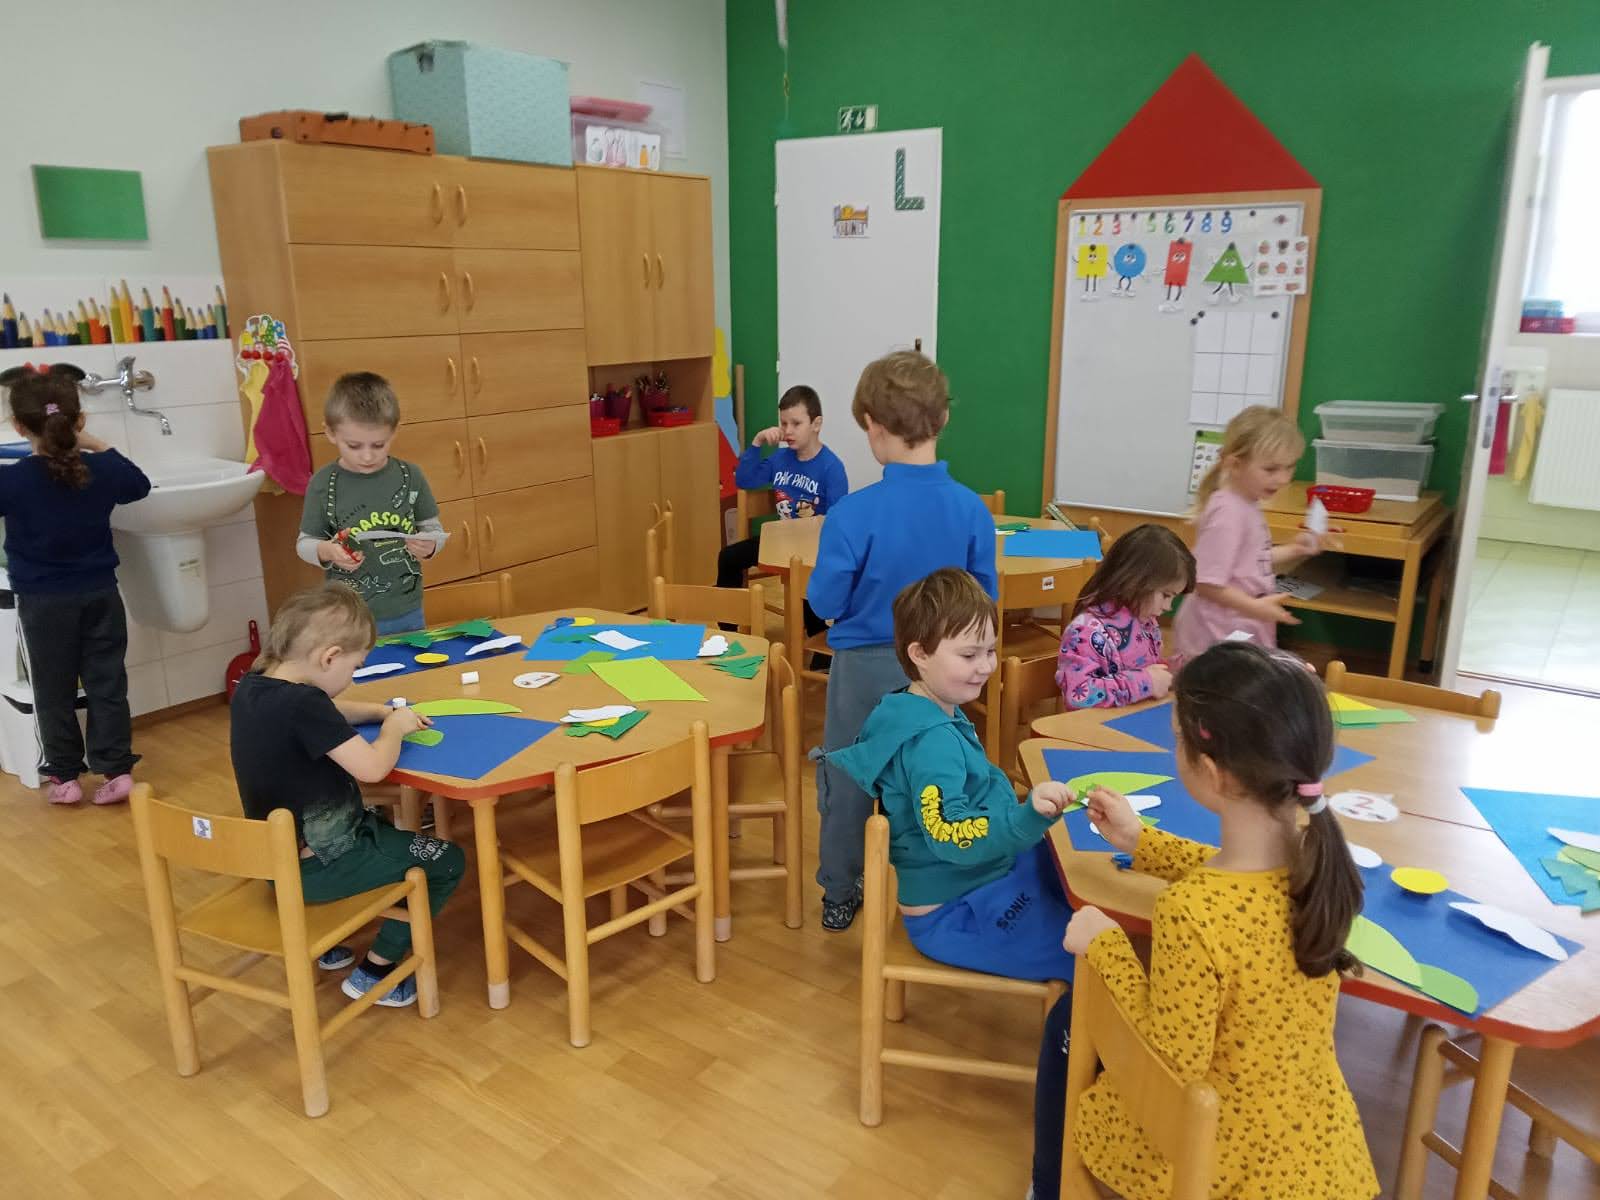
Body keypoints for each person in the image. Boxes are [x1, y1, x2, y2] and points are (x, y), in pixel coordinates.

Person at [1029, 641, 1379, 1200]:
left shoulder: (1191, 912)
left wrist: (1107, 947)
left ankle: (1048, 1189)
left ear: (1213, 773)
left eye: (1177, 739)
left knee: (1069, 1022)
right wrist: (1143, 842)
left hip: (1217, 1159)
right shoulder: (1315, 857)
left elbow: (1169, 1069)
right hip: (1318, 1148)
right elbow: (1238, 886)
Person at [807, 352, 998, 930]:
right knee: (938, 778)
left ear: (872, 426)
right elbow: (983, 602)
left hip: (864, 668)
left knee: (848, 777)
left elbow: (824, 601)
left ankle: (841, 890)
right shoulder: (971, 510)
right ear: (943, 421)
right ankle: (939, 885)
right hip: (940, 673)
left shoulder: (852, 514)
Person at [830, 568, 1077, 976]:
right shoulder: (931, 743)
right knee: (1088, 956)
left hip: (979, 877)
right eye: (968, 655)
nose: (986, 666)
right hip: (957, 908)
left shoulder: (922, 704)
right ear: (919, 654)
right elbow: (950, 835)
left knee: (1078, 879)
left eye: (990, 650)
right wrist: (1025, 818)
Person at [229, 583, 465, 1005]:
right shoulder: (305, 706)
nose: (353, 678)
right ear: (329, 657)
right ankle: (377, 972)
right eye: (354, 667)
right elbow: (373, 769)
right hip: (322, 867)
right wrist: (393, 727)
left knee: (379, 826)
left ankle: (328, 942)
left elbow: (325, 713)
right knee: (447, 860)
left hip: (274, 862)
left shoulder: (255, 687)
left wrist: (379, 711)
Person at [0, 363, 150, 806]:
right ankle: (117, 771)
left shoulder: (12, 480)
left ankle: (64, 778)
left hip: (43, 602)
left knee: (53, 689)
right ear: (78, 421)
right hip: (100, 594)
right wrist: (96, 444)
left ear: (18, 426)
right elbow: (139, 485)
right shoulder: (100, 469)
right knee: (108, 684)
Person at [297, 372, 447, 636]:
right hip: (347, 615)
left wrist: (431, 545)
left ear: (395, 431)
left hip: (407, 609)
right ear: (330, 432)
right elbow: (304, 543)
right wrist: (326, 551)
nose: (367, 456)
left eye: (379, 445)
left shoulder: (411, 476)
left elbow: (433, 529)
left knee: (410, 663)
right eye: (353, 446)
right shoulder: (323, 484)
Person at [1172, 406, 1321, 661]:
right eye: (1271, 469)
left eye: (1289, 467)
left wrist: (1295, 549)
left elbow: (1248, 561)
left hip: (1238, 625)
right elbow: (1206, 583)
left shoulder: (1247, 502)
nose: (1283, 479)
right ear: (1235, 464)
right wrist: (1255, 607)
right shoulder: (1228, 513)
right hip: (1216, 632)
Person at [716, 383, 847, 639]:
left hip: (812, 551)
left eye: (796, 424)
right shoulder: (779, 459)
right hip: (779, 542)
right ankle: (730, 631)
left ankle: (820, 644)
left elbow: (836, 519)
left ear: (816, 424)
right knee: (728, 557)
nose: (788, 431)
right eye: (784, 423)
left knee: (810, 595)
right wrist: (757, 443)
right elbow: (744, 480)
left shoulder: (831, 467)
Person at [1057, 524, 1194, 709]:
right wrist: (1146, 682)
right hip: (1095, 726)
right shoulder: (1085, 631)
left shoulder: (1146, 621)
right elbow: (1079, 696)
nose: (1168, 607)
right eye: (1166, 595)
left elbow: (1140, 669)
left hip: (1134, 717)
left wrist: (1168, 671)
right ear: (1135, 581)